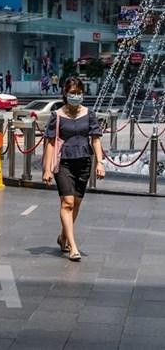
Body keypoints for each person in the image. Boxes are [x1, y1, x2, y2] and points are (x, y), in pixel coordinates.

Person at [42, 77, 105, 262]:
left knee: (76, 203)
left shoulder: (89, 114)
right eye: (72, 93)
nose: (76, 96)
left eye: (78, 93)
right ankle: (73, 246)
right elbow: (51, 143)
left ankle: (63, 237)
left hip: (84, 161)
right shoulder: (58, 115)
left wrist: (100, 163)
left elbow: (95, 139)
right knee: (67, 202)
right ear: (65, 93)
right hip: (63, 162)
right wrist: (46, 169)